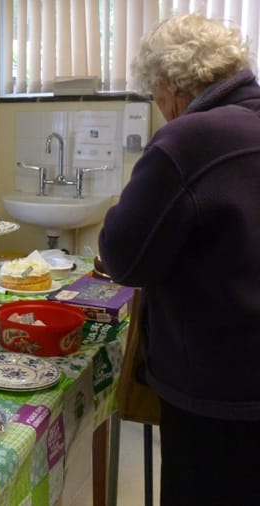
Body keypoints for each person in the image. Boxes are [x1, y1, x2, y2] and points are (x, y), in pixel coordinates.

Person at [98, 13, 260, 505]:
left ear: (172, 85)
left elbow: (125, 258)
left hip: (217, 386)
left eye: (157, 96)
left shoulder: (189, 140)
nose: (162, 110)